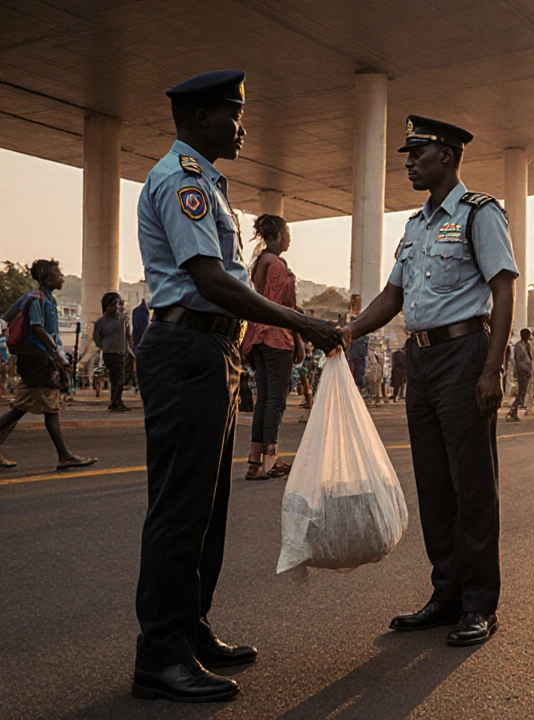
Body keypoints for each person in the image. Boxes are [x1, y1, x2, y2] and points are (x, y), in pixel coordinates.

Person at [131, 70, 343, 703]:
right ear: (200, 118)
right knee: (179, 508)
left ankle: (191, 629)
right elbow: (210, 278)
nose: (242, 125)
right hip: (187, 346)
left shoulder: (209, 185)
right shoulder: (183, 182)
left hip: (212, 348)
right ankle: (159, 655)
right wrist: (302, 322)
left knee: (208, 506)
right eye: (234, 113)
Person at [341, 115, 516, 647]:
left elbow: (503, 290)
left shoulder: (479, 214)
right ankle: (445, 595)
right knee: (434, 484)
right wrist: (348, 330)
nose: (409, 161)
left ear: (447, 155)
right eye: (407, 153)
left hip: (464, 354)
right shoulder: (415, 226)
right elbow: (392, 297)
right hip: (419, 362)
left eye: (418, 152)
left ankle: (479, 603)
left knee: (472, 483)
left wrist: (491, 368)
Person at [0, 260, 97, 470]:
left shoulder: (47, 299)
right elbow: (37, 327)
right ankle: (65, 456)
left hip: (38, 359)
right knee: (41, 407)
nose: (62, 277)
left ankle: (65, 456)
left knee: (28, 408)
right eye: (59, 274)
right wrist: (56, 354)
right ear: (47, 278)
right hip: (38, 360)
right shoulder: (37, 299)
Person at [240, 214, 303, 480]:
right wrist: (298, 339)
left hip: (256, 336)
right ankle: (269, 461)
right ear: (278, 235)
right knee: (276, 400)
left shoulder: (259, 263)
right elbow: (283, 309)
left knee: (264, 399)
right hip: (276, 337)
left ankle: (256, 461)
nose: (289, 238)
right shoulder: (277, 265)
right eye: (287, 232)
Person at [93, 291, 134, 411]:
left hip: (120, 351)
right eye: (114, 304)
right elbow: (97, 337)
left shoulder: (121, 318)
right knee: (118, 378)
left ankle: (115, 401)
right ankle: (116, 402)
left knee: (117, 379)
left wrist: (129, 346)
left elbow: (128, 334)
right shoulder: (110, 320)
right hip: (112, 352)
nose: (116, 307)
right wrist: (104, 345)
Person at [506, 328, 533, 421]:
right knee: (520, 394)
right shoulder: (519, 346)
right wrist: (524, 369)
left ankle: (514, 412)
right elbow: (519, 361)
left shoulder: (527, 345)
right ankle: (512, 412)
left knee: (523, 394)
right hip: (522, 371)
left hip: (528, 370)